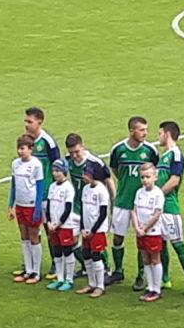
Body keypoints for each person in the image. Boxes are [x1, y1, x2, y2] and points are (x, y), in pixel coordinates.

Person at [107, 116, 158, 288]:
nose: (145, 133)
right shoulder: (118, 149)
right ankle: (118, 270)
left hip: (143, 204)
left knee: (142, 238)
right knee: (117, 238)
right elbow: (115, 169)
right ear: (131, 131)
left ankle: (140, 275)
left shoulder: (150, 150)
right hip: (123, 200)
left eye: (146, 129)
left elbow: (154, 172)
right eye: (141, 130)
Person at [156, 121, 184, 299]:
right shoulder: (164, 156)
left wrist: (157, 195)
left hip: (170, 209)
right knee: (161, 244)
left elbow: (174, 181)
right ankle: (165, 278)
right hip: (159, 208)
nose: (158, 137)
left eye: (160, 133)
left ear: (167, 134)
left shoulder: (176, 155)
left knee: (178, 244)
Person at [64, 133, 114, 279]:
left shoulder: (94, 162)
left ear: (83, 146)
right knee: (72, 240)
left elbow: (108, 180)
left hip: (93, 207)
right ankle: (87, 267)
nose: (74, 155)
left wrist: (113, 200)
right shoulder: (68, 161)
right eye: (71, 152)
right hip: (76, 206)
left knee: (95, 239)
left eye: (77, 152)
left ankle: (105, 268)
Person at [23, 107, 60, 280]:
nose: (26, 124)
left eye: (29, 121)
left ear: (40, 122)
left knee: (49, 229)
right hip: (30, 196)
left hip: (46, 194)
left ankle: (56, 262)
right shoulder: (27, 142)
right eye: (26, 121)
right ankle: (31, 264)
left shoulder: (47, 142)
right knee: (30, 230)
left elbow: (58, 166)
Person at [8, 134, 45, 284]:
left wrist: (37, 208)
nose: (20, 152)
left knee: (34, 237)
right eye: (19, 148)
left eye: (23, 148)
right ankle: (28, 269)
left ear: (31, 149)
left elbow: (40, 187)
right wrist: (11, 205)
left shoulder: (36, 165)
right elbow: (14, 185)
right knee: (24, 236)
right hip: (20, 205)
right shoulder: (15, 164)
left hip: (31, 205)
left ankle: (36, 271)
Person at [76, 162, 110, 298]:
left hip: (98, 230)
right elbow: (84, 210)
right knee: (86, 254)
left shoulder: (102, 190)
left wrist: (93, 230)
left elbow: (103, 213)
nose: (84, 177)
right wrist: (83, 228)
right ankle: (91, 283)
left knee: (96, 255)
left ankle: (100, 286)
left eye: (86, 174)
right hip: (87, 230)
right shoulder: (85, 189)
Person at [133, 163, 166, 303]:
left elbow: (157, 214)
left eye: (148, 177)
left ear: (155, 177)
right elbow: (133, 210)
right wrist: (136, 227)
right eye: (142, 177)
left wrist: (145, 228)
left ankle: (157, 289)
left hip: (152, 232)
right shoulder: (139, 192)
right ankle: (150, 286)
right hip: (140, 232)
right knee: (145, 258)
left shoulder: (158, 193)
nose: (145, 180)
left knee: (155, 258)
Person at [45, 159, 78, 293]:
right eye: (54, 171)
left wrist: (58, 223)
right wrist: (48, 222)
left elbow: (68, 208)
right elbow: (48, 206)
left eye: (58, 171)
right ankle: (59, 278)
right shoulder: (52, 186)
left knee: (67, 251)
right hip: (53, 225)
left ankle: (69, 279)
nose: (55, 173)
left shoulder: (68, 187)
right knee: (57, 252)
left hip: (65, 225)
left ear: (64, 171)